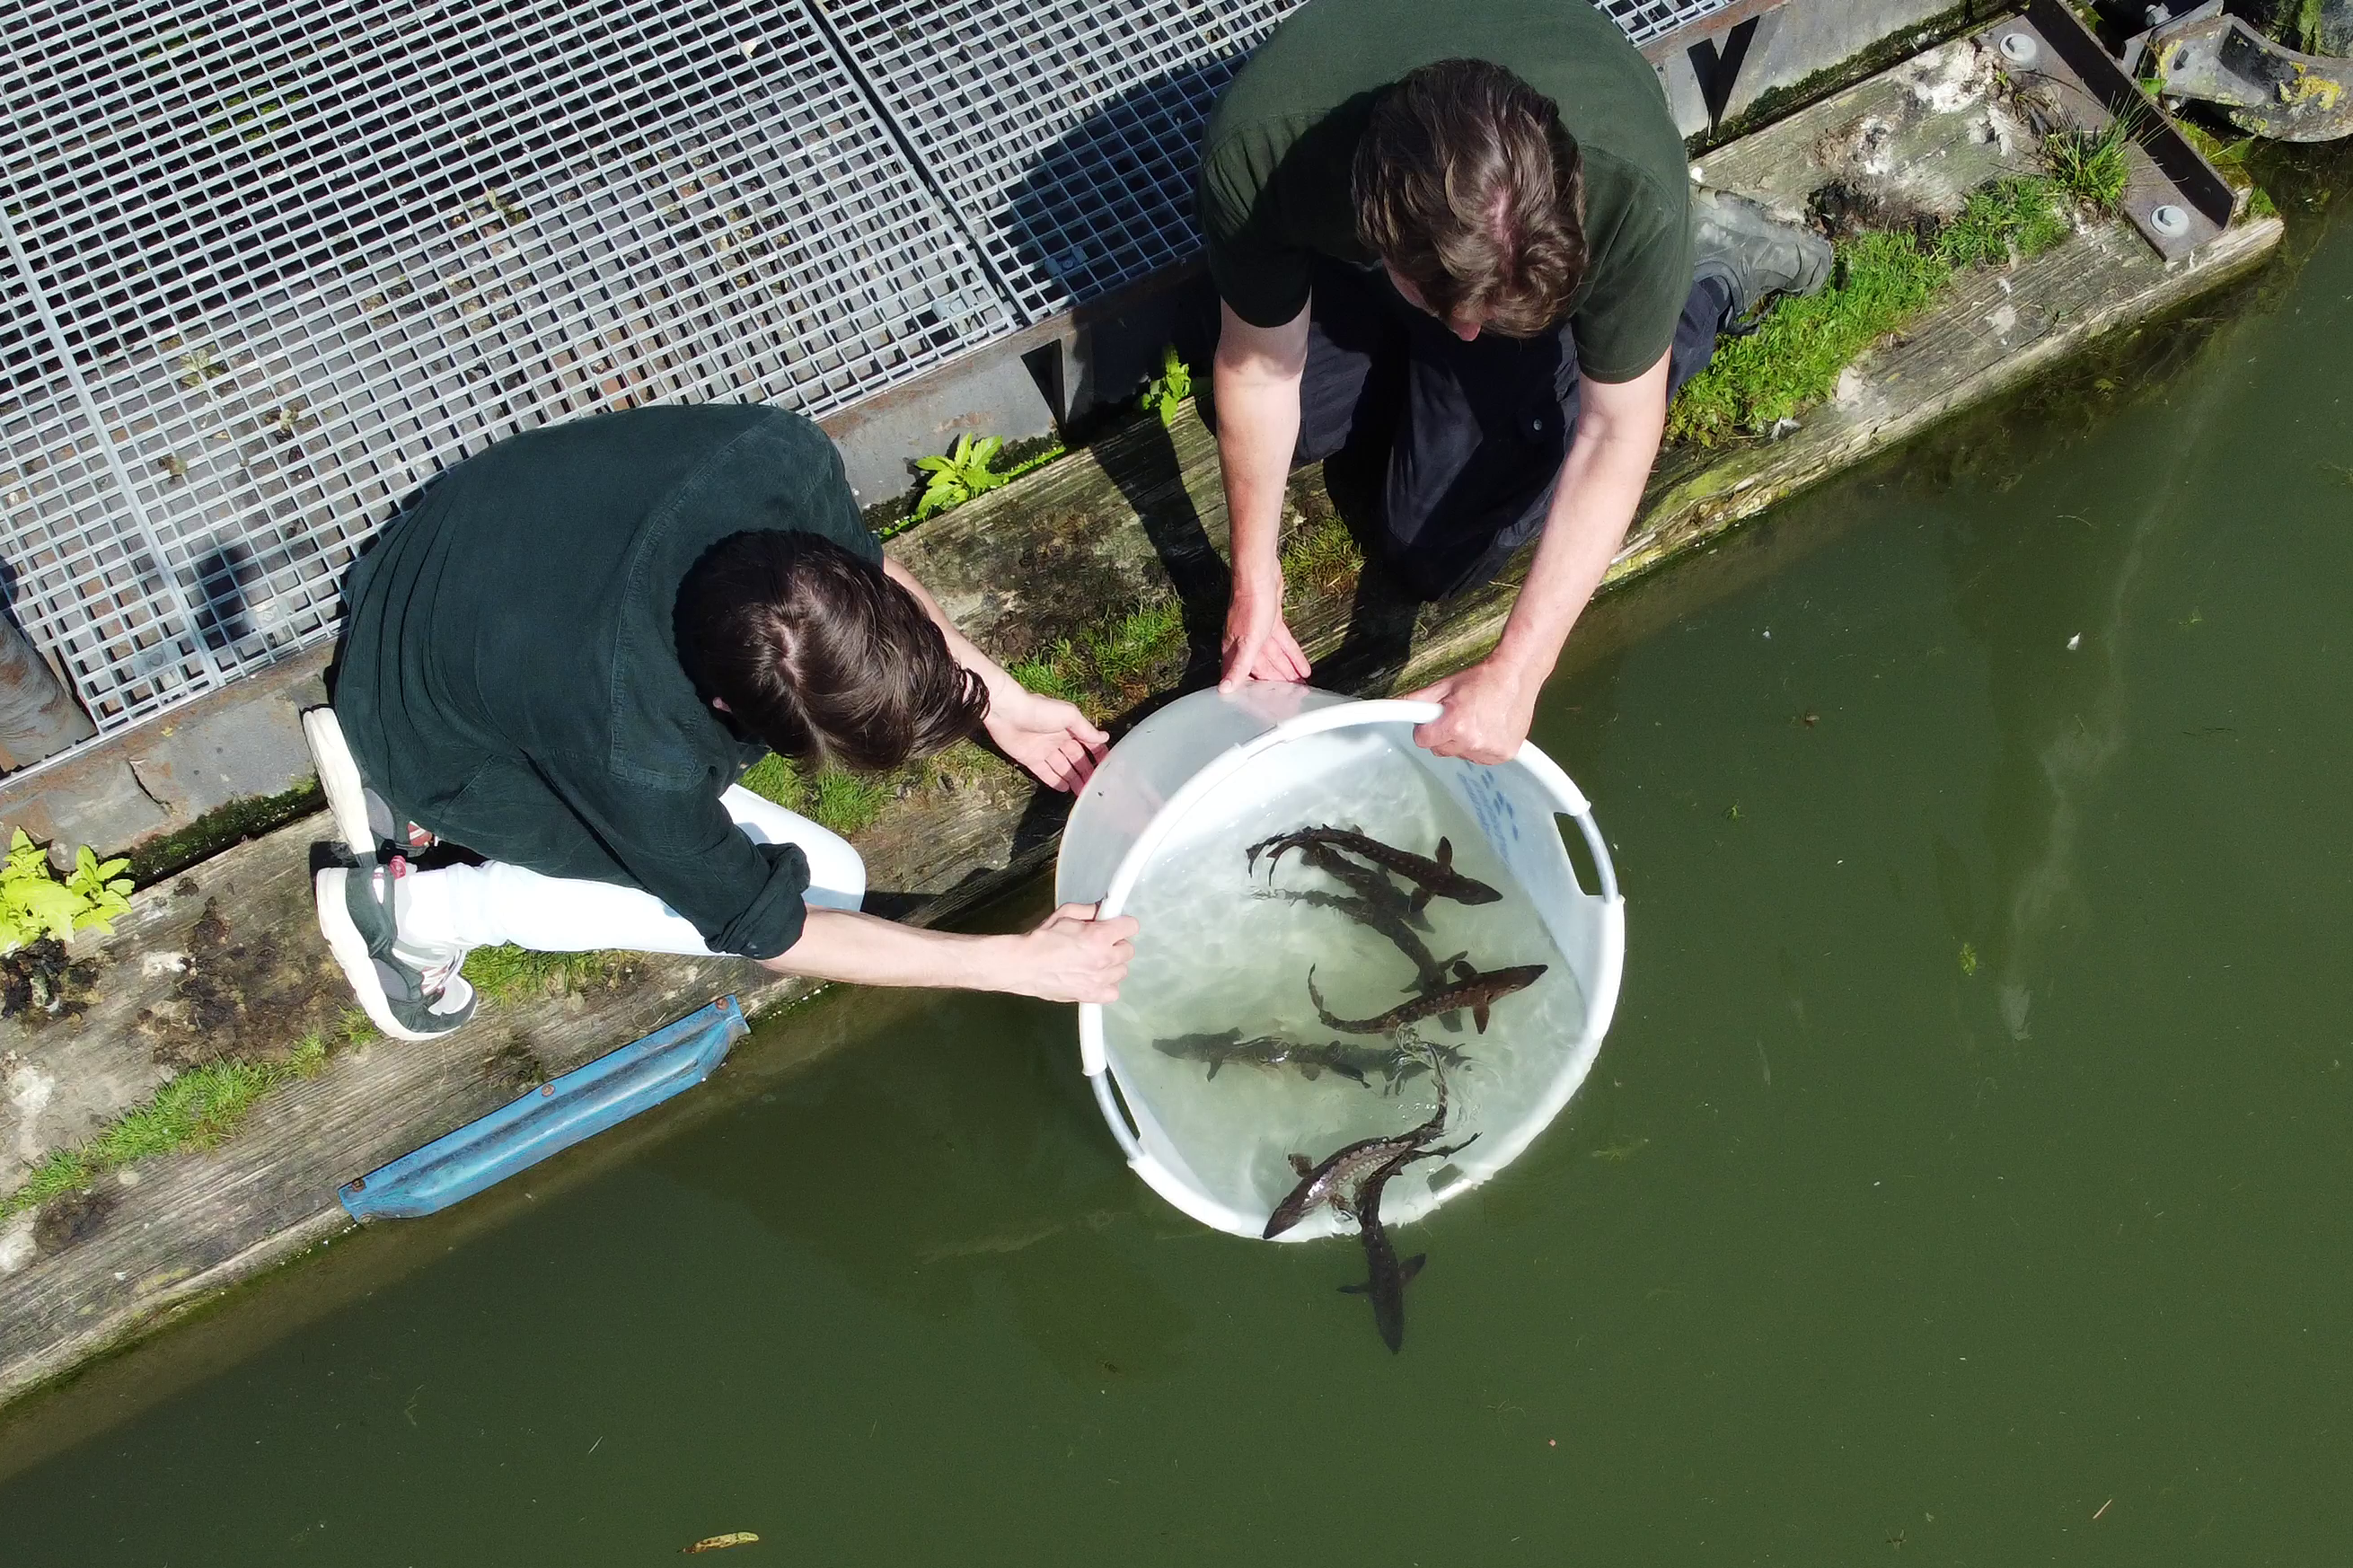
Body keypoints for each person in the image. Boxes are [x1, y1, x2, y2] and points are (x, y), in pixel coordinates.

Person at [305, 403, 1136, 1041]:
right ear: (726, 708)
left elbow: (870, 567)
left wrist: (998, 701)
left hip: (445, 553)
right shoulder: (643, 751)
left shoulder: (778, 456)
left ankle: (435, 748)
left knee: (812, 876)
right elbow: (764, 927)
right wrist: (1013, 965)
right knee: (828, 885)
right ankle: (415, 911)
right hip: (414, 708)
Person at [1199, 0, 1833, 762]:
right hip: (1384, 253)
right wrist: (1253, 575)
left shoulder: (1631, 195)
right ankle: (1434, 332)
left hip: (1511, 277)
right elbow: (1258, 373)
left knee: (1430, 546)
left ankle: (1712, 272)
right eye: (1452, 313)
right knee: (1278, 419)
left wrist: (1519, 670)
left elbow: (1616, 430)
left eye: (1476, 319)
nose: (1465, 330)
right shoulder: (1265, 146)